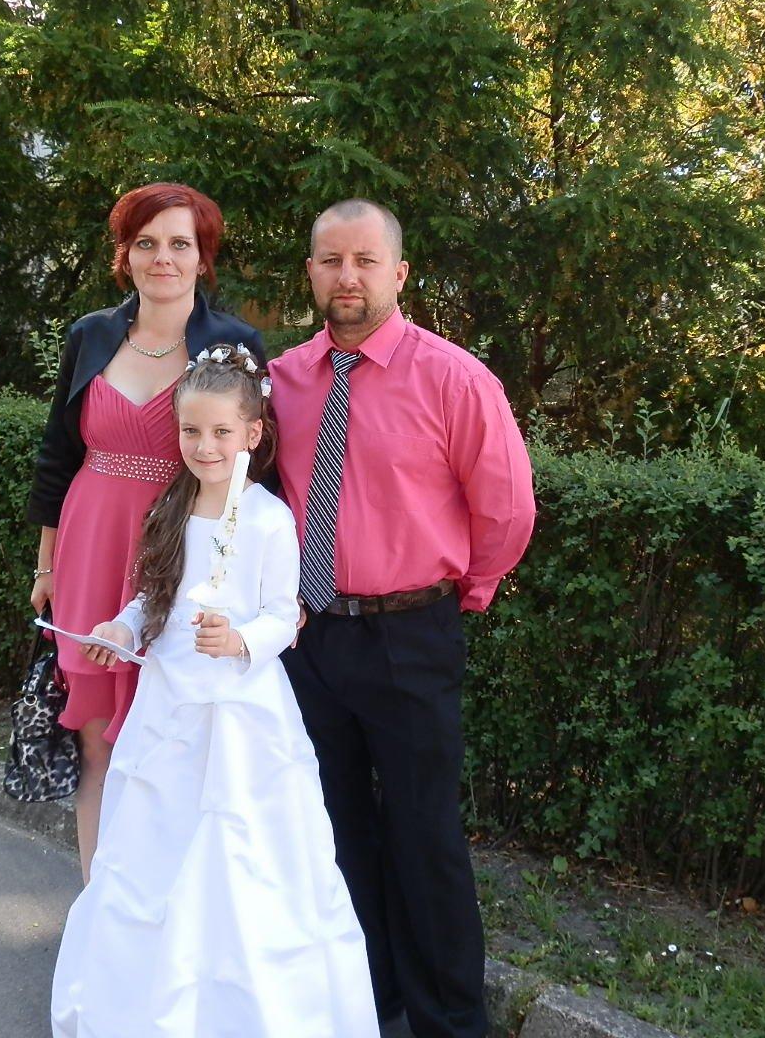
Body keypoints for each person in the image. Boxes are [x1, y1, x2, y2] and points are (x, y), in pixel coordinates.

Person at [49, 345, 379, 1038]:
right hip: (167, 707)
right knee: (159, 841)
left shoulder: (269, 519)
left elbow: (283, 615)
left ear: (252, 433)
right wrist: (121, 626)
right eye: (191, 431)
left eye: (222, 432)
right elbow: (153, 597)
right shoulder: (170, 509)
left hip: (241, 712)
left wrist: (241, 641)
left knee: (238, 847)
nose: (205, 446)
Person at [270, 199, 536, 1038]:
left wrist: (468, 592)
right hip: (311, 639)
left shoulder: (454, 378)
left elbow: (507, 508)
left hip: (411, 635)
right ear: (311, 273)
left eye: (365, 260)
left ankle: (450, 1021)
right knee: (334, 830)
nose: (347, 276)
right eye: (331, 260)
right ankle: (364, 1002)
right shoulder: (281, 381)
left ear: (399, 273)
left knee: (424, 838)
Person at [26, 183, 264, 880]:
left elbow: (254, 470)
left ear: (203, 258)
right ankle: (99, 906)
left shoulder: (234, 345)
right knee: (98, 743)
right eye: (146, 243)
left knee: (175, 744)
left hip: (180, 554)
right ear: (125, 254)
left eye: (180, 243)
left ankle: (168, 913)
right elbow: (56, 458)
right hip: (91, 549)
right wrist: (46, 567)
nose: (163, 257)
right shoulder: (90, 335)